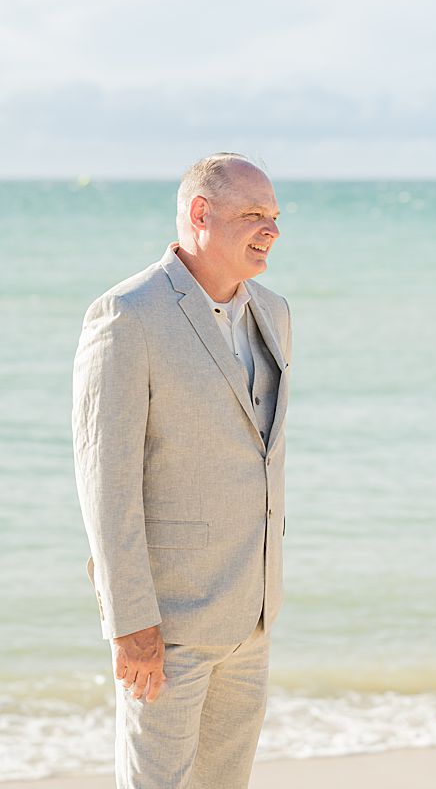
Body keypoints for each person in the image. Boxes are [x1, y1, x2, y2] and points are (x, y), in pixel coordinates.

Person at [72, 153, 291, 787]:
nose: (271, 230)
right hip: (167, 625)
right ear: (201, 214)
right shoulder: (126, 315)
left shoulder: (274, 313)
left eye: (274, 216)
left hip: (251, 614)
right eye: (254, 214)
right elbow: (103, 482)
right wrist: (130, 622)